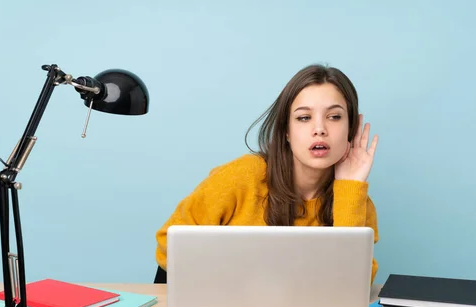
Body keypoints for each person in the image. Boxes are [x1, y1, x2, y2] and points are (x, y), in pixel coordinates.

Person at [154, 63, 379, 284]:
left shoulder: (354, 197)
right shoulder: (243, 175)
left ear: (350, 129)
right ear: (287, 132)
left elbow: (351, 286)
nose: (319, 129)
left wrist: (349, 188)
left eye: (334, 117)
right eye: (304, 118)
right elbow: (169, 242)